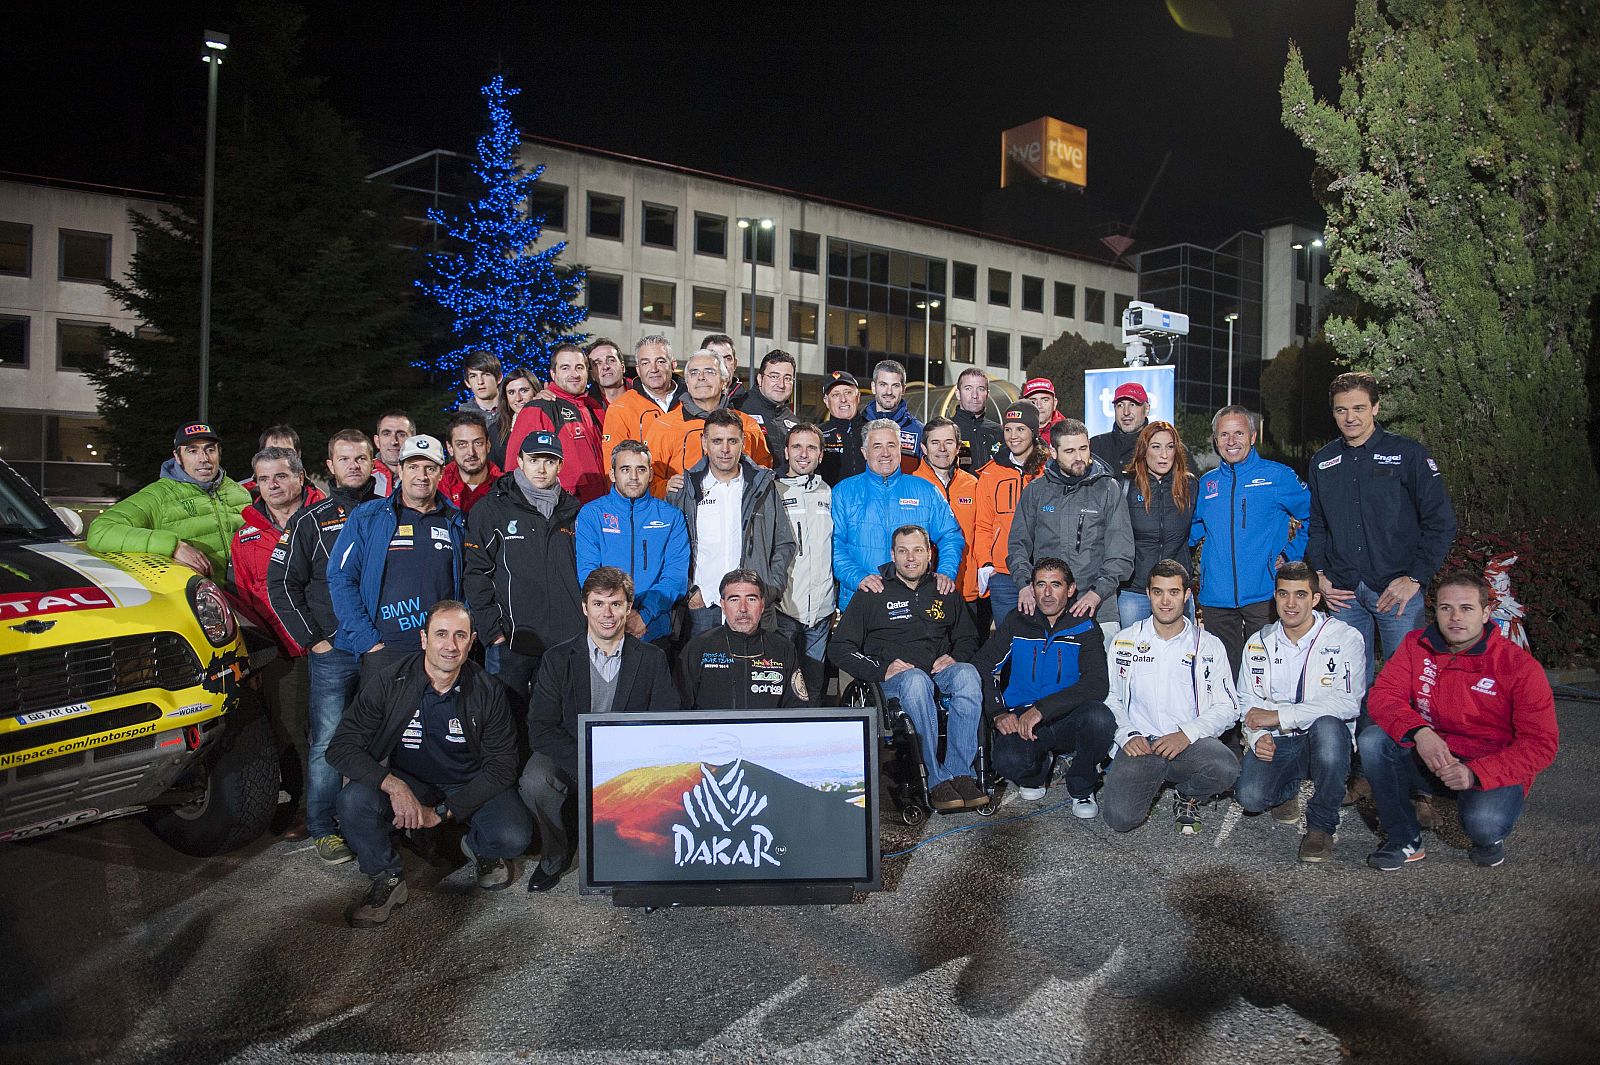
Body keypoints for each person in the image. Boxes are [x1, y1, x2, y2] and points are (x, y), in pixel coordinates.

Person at [329, 601, 532, 926]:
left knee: (513, 835)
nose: (450, 645)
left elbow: (503, 766)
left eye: (460, 635)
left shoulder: (489, 690)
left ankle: (476, 847)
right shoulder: (389, 681)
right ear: (424, 638)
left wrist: (443, 812)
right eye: (441, 634)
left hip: (469, 783)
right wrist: (393, 786)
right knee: (352, 801)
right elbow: (340, 748)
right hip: (410, 783)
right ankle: (387, 877)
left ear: (472, 641)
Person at [1359, 571, 1559, 871]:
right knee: (1373, 741)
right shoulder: (1415, 644)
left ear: (1485, 613)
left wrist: (1475, 774)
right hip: (1433, 753)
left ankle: (1489, 836)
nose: (1455, 617)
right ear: (1436, 611)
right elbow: (1384, 696)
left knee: (1485, 823)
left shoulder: (1519, 667)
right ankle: (1404, 839)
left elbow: (1541, 744)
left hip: (1488, 763)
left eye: (1466, 608)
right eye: (1446, 608)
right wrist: (1420, 732)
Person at [518, 567, 682, 891]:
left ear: (628, 607)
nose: (607, 614)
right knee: (535, 781)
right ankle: (555, 855)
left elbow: (666, 721)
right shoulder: (557, 659)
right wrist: (587, 763)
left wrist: (626, 764)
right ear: (584, 607)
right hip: (572, 752)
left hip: (629, 758)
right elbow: (540, 728)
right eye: (598, 604)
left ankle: (636, 855)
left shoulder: (652, 659)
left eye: (616, 604)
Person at [268, 428, 383, 864]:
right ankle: (322, 826)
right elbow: (282, 583)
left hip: (381, 649)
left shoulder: (390, 511)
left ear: (373, 463)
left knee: (385, 738)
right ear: (330, 466)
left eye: (361, 458)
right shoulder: (309, 521)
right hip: (334, 652)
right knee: (327, 742)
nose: (354, 465)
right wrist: (312, 639)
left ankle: (378, 821)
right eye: (344, 459)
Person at [1307, 372, 1457, 686]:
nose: (1350, 417)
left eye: (1359, 408)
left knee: (1406, 683)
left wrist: (1416, 577)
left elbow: (1440, 521)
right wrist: (1319, 575)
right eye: (1341, 410)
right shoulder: (1323, 461)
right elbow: (1317, 524)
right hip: (1344, 594)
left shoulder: (1408, 454)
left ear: (1376, 407)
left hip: (1396, 592)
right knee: (1347, 686)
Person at [830, 526, 987, 811]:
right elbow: (839, 648)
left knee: (967, 674)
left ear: (930, 554)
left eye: (917, 550)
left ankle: (961, 773)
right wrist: (882, 669)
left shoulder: (944, 590)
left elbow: (968, 638)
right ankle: (936, 779)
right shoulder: (873, 592)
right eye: (903, 551)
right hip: (894, 682)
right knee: (915, 680)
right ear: (893, 555)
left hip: (937, 673)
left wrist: (956, 657)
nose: (910, 558)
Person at [1234, 562, 1368, 863]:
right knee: (1250, 797)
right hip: (1280, 740)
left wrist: (1280, 717)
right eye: (1283, 594)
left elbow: (1348, 702)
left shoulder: (1344, 638)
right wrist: (1257, 736)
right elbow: (1247, 700)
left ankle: (1321, 827)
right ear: (1275, 598)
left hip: (1324, 739)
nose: (1291, 604)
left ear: (1316, 599)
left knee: (1329, 728)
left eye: (1300, 595)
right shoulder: (1259, 642)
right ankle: (1287, 789)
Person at [1102, 560, 1240, 833]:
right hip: (1141, 744)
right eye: (1158, 592)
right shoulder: (1125, 640)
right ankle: (1149, 778)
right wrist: (1127, 734)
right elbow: (1109, 696)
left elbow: (1228, 707)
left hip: (1188, 744)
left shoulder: (1209, 645)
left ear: (1187, 595)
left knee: (1226, 768)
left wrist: (1187, 734)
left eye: (1173, 592)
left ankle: (1186, 794)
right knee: (1120, 819)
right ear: (1148, 593)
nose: (1165, 601)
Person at [229, 445, 325, 837]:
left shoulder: (330, 518)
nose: (272, 485)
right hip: (281, 652)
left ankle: (348, 806)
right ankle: (305, 808)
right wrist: (255, 658)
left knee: (336, 729)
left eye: (281, 476)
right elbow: (244, 601)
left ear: (300, 477)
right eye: (264, 479)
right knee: (289, 730)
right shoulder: (245, 536)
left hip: (330, 645)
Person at [970, 558, 1115, 813]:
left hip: (1066, 716)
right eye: (1040, 585)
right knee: (1007, 761)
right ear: (1032, 589)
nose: (1047, 594)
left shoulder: (1084, 625)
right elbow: (982, 665)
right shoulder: (1018, 621)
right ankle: (1036, 772)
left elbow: (1096, 683)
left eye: (1055, 585)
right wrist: (998, 712)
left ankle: (1082, 787)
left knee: (1100, 719)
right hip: (1022, 716)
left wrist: (1043, 709)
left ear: (1070, 589)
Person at [328, 433, 465, 687]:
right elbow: (340, 577)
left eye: (430, 468)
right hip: (385, 650)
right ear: (400, 471)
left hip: (440, 652)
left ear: (441, 473)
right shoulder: (368, 516)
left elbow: (468, 582)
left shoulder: (456, 522)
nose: (421, 476)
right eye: (413, 467)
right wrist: (367, 642)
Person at [463, 430, 582, 703]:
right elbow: (476, 574)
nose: (541, 469)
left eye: (549, 461)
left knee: (557, 720)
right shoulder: (491, 509)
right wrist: (493, 632)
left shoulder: (575, 511)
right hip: (512, 643)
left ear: (560, 465)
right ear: (519, 460)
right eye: (534, 460)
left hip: (564, 643)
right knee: (506, 719)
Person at [1189, 405, 1311, 674]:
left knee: (1266, 674)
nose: (1231, 441)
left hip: (1264, 594)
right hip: (1216, 598)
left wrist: (1291, 555)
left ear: (1253, 437)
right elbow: (1190, 532)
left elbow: (1314, 518)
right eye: (1224, 435)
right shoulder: (1207, 483)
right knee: (1224, 674)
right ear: (1216, 440)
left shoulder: (1278, 476)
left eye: (1239, 433)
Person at [667, 409, 796, 637]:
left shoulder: (763, 486)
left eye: (732, 441)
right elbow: (670, 549)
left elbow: (784, 543)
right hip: (703, 607)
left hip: (752, 607)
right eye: (717, 441)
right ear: (704, 443)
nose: (725, 449)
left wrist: (769, 589)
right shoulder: (684, 489)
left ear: (743, 442)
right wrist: (689, 592)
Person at [1007, 418, 1133, 629]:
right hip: (1047, 607)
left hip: (1098, 608)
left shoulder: (1108, 489)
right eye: (1069, 451)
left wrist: (1097, 593)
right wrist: (1024, 584)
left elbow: (1121, 553)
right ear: (1053, 452)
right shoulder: (1036, 491)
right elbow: (1017, 545)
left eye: (1083, 449)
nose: (1079, 457)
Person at [832, 419, 963, 613]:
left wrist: (946, 572)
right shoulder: (844, 492)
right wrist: (858, 577)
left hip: (913, 601)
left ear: (900, 449)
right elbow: (833, 544)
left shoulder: (925, 490)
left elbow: (950, 535)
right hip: (860, 599)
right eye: (877, 446)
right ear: (864, 452)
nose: (885, 453)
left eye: (891, 445)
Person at [87, 421, 249, 577]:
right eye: (192, 451)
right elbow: (100, 530)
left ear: (219, 453)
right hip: (196, 595)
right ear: (177, 457)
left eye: (210, 450)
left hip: (247, 595)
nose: (203, 458)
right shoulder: (159, 496)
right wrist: (175, 547)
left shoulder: (239, 492)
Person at [575, 440, 691, 649]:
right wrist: (616, 614)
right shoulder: (592, 514)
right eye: (625, 469)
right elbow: (588, 573)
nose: (634, 477)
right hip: (605, 629)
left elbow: (675, 577)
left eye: (641, 469)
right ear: (612, 474)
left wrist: (644, 616)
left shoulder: (671, 516)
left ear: (651, 474)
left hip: (653, 629)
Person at [643, 349, 772, 495]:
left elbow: (763, 474)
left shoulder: (748, 426)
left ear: (724, 381)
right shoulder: (664, 426)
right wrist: (666, 487)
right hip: (682, 507)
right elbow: (647, 479)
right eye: (694, 373)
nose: (701, 377)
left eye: (709, 372)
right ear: (687, 383)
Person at [680, 570, 806, 709]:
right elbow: (679, 710)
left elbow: (797, 710)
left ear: (762, 605)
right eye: (734, 599)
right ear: (723, 605)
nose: (743, 608)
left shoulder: (783, 649)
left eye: (751, 599)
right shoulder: (698, 648)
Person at [775, 424, 835, 706]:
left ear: (820, 455)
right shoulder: (772, 490)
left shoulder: (827, 492)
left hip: (820, 613)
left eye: (811, 448)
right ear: (786, 452)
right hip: (784, 610)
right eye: (797, 447)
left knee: (813, 690)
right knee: (781, 688)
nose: (803, 454)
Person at [505, 343, 608, 503]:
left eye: (579, 367)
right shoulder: (539, 408)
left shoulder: (592, 407)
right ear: (553, 374)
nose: (575, 374)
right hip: (562, 508)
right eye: (565, 368)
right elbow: (514, 468)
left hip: (598, 505)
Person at [1118, 421, 1197, 627]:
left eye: (1170, 447)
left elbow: (1198, 529)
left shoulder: (1190, 486)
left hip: (1176, 590)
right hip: (1135, 590)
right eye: (1156, 446)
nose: (1164, 454)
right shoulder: (1126, 486)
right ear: (1144, 450)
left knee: (1181, 648)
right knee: (1134, 647)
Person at [974, 403, 1048, 624]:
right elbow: (983, 524)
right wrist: (986, 565)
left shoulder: (1049, 470)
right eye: (1008, 429)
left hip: (1044, 573)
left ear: (1033, 432)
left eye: (1020, 429)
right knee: (1007, 638)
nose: (1013, 436)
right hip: (1003, 574)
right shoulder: (991, 472)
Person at [913, 416, 982, 621]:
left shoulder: (973, 484)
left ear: (958, 447)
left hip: (967, 588)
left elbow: (982, 532)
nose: (942, 449)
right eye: (935, 442)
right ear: (924, 448)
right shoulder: (912, 485)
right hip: (925, 590)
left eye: (949, 442)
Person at [601, 334, 684, 468]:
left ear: (673, 364)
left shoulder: (694, 401)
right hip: (645, 482)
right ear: (638, 370)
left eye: (660, 361)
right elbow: (613, 467)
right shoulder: (620, 409)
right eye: (645, 363)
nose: (654, 369)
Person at [733, 349, 801, 472]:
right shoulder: (738, 409)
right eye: (774, 377)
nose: (781, 384)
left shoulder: (793, 420)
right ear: (760, 379)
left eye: (787, 378)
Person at [862, 359, 924, 473]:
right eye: (883, 385)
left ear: (903, 389)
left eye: (895, 386)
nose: (889, 392)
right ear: (873, 387)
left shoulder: (918, 431)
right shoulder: (858, 426)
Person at [439, 411, 502, 517]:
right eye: (462, 444)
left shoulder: (504, 487)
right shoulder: (437, 486)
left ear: (488, 445)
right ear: (450, 448)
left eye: (478, 443)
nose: (471, 452)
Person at [1090, 382, 1151, 477]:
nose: (1126, 412)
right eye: (1120, 405)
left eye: (1132, 404)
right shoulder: (1095, 446)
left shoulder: (1160, 447)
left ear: (1146, 409)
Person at [817, 370, 867, 485]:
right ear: (826, 401)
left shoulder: (873, 430)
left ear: (858, 396)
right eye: (835, 395)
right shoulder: (818, 434)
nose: (843, 399)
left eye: (848, 393)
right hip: (832, 495)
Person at [951, 368, 1002, 473]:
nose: (974, 395)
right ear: (958, 393)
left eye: (981, 389)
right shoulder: (945, 431)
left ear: (987, 394)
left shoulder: (999, 432)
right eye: (968, 388)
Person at [490, 368, 538, 470]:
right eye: (511, 392)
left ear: (535, 391)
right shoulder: (496, 429)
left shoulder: (549, 421)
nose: (518, 398)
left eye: (524, 391)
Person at [238, 424, 304, 496]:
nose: (279, 457)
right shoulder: (240, 491)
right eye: (272, 451)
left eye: (286, 452)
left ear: (298, 454)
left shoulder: (313, 492)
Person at [458, 351, 503, 438]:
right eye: (473, 376)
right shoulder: (462, 418)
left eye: (486, 374)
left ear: (499, 378)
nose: (480, 382)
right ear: (467, 382)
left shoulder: (513, 410)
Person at [371, 410, 414, 497]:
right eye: (386, 434)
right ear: (377, 441)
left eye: (401, 435)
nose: (394, 441)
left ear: (413, 441)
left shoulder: (428, 476)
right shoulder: (362, 474)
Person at [702, 333, 746, 406]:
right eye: (715, 357)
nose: (722, 364)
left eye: (727, 358)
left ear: (735, 364)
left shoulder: (749, 406)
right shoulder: (684, 403)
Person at [585, 337, 629, 408]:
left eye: (611, 360)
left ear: (623, 367)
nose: (605, 366)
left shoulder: (643, 394)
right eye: (597, 363)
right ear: (592, 374)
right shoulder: (585, 406)